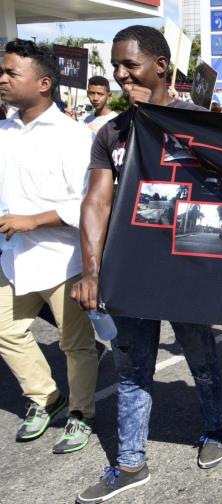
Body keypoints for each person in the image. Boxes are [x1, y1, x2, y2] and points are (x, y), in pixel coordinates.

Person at [71, 26, 222, 504]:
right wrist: (92, 271)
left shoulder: (200, 122)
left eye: (129, 65)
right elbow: (96, 203)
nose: (120, 75)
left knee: (199, 354)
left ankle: (214, 428)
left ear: (160, 66)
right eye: (115, 66)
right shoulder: (110, 132)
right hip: (131, 271)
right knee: (133, 365)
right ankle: (130, 462)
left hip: (187, 268)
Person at [0, 39, 98, 454]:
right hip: (13, 258)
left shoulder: (73, 135)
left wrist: (32, 220)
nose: (2, 79)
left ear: (43, 83)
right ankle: (45, 396)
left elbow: (86, 203)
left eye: (10, 73)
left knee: (74, 344)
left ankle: (81, 413)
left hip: (62, 260)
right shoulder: (3, 131)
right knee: (6, 330)